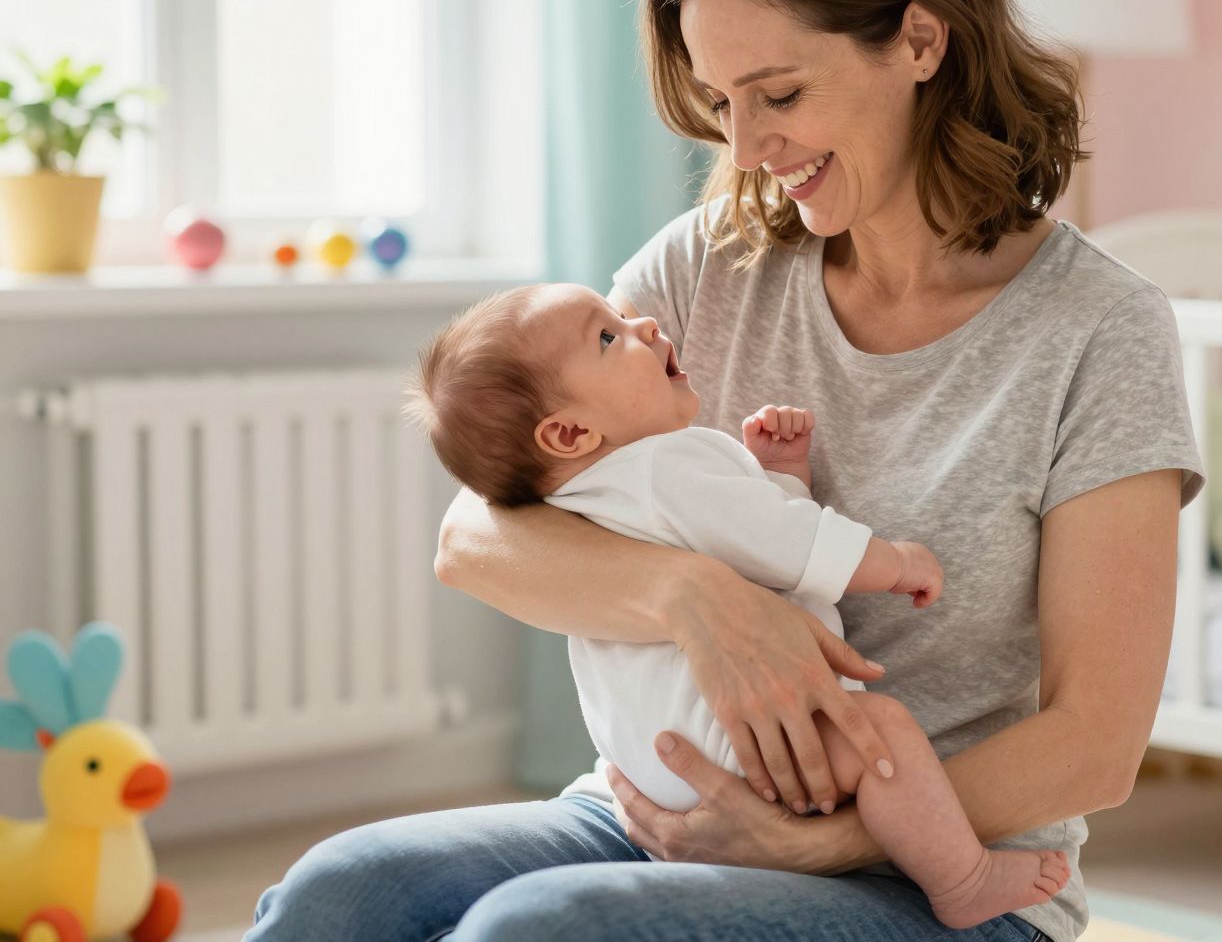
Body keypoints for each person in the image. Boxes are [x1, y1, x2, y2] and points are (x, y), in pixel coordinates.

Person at [247, 0, 1201, 942]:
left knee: (544, 930)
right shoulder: (704, 266)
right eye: (719, 103)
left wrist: (836, 838)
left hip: (936, 877)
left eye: (778, 93)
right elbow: (477, 536)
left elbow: (1097, 742)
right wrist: (696, 599)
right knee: (340, 891)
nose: (744, 148)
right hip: (649, 816)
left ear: (920, 41)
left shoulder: (1098, 329)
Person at [405, 281, 1070, 928]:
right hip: (747, 753)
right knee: (886, 734)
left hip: (653, 774)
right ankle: (962, 878)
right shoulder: (665, 468)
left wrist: (779, 477)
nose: (641, 324)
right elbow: (789, 545)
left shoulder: (572, 505)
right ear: (571, 434)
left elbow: (757, 542)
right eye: (609, 335)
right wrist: (894, 562)